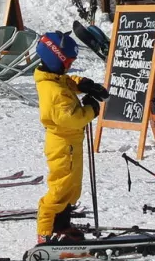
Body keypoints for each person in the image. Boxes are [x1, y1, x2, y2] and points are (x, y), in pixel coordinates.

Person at [33, 31, 107, 243]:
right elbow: (71, 118)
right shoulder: (53, 92)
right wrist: (91, 109)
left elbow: (66, 82)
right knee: (60, 188)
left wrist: (82, 84)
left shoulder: (54, 80)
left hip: (70, 144)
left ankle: (61, 224)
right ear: (55, 60)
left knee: (71, 187)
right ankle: (44, 231)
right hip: (63, 145)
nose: (70, 67)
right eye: (68, 62)